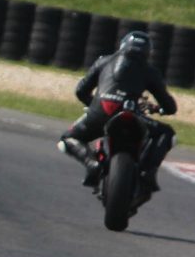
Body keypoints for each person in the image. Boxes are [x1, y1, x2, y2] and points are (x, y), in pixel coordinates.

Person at [57, 30, 178, 190]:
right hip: (133, 115)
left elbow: (80, 91)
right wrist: (159, 109)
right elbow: (170, 107)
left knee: (67, 139)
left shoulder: (103, 61)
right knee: (167, 133)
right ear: (148, 52)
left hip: (99, 114)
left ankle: (91, 163)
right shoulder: (150, 71)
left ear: (122, 46)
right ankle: (147, 172)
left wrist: (94, 105)